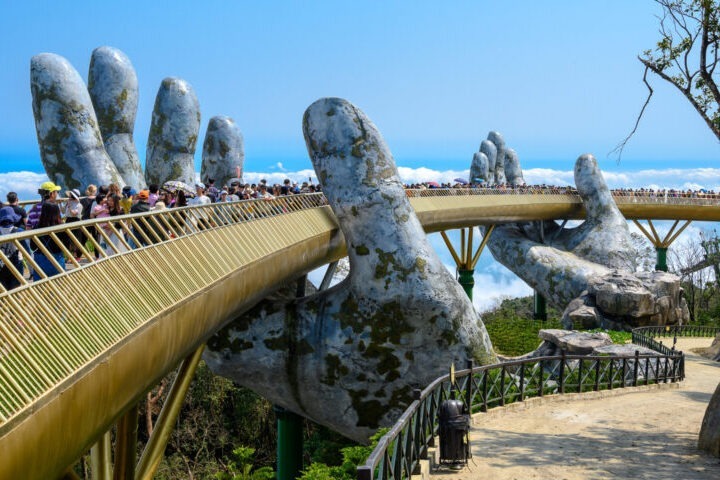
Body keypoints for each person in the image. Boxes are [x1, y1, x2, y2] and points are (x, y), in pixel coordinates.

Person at [32, 202, 67, 281]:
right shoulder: (62, 228)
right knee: (58, 283)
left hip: (40, 258)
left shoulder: (36, 228)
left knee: (40, 285)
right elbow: (66, 245)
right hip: (57, 258)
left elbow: (33, 246)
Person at [0, 206, 23, 290]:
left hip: (1, 265)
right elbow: (27, 249)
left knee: (3, 292)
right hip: (16, 263)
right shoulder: (19, 231)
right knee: (16, 290)